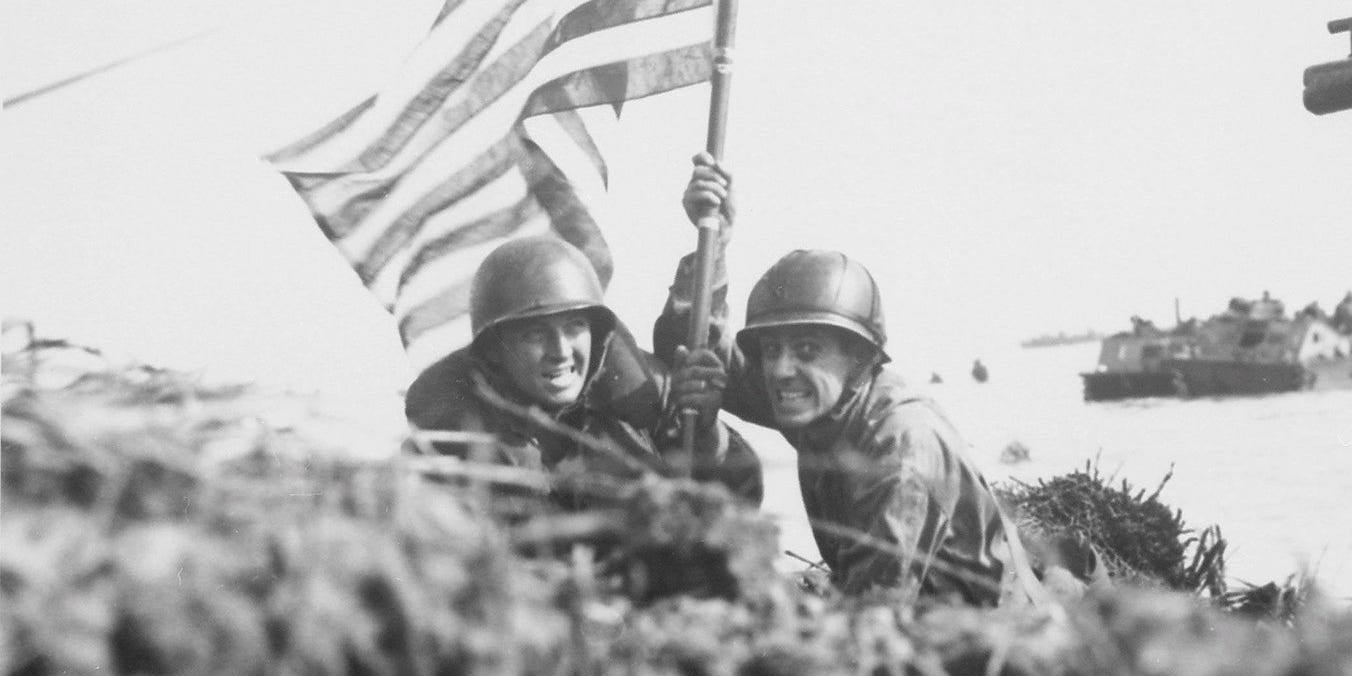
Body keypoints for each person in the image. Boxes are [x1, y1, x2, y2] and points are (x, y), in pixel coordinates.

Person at [654, 154, 1045, 607]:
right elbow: (691, 347)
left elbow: (871, 621)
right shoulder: (822, 398)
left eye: (805, 350)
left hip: (995, 642)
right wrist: (712, 242)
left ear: (858, 358)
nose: (780, 370)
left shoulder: (900, 449)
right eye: (770, 350)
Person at [404, 235, 763, 513]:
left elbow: (740, 501)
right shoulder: (449, 442)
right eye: (535, 334)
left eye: (574, 327)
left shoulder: (640, 407)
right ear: (495, 351)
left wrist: (705, 434)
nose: (560, 350)